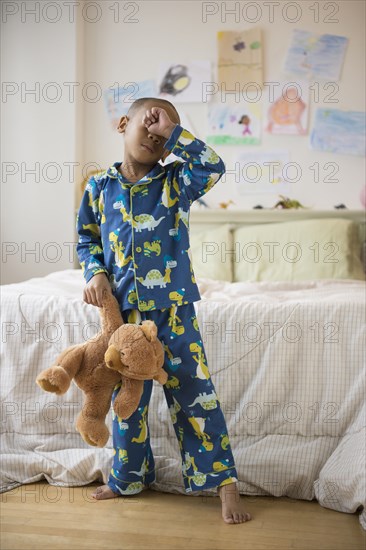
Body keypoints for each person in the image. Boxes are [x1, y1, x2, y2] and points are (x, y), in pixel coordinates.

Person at [76, 97, 252, 524]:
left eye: (162, 138)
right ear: (123, 124)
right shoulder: (99, 187)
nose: (154, 140)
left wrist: (175, 132)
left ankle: (223, 481)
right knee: (126, 402)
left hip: (174, 312)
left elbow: (213, 165)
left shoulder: (177, 181)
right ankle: (128, 478)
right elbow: (86, 239)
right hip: (125, 318)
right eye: (147, 129)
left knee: (195, 394)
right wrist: (95, 272)